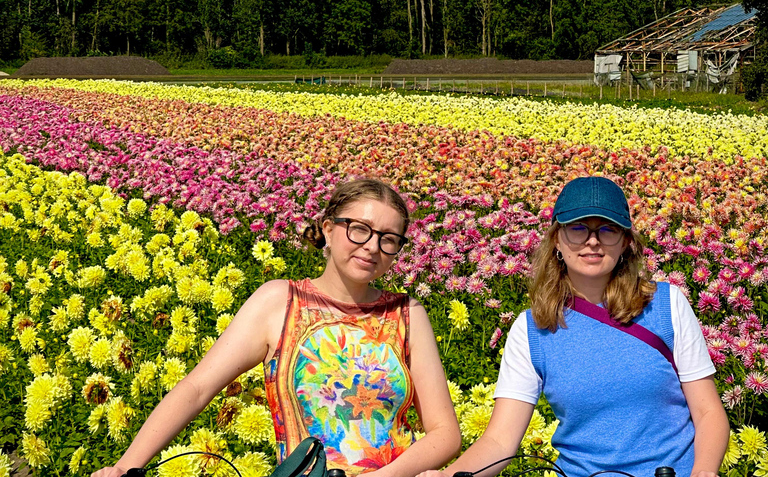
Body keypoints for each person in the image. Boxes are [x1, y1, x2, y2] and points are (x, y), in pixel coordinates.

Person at [93, 178, 461, 477]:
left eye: (388, 239)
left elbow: (445, 434)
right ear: (329, 230)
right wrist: (127, 465)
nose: (372, 247)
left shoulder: (408, 313)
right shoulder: (279, 301)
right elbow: (197, 387)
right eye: (360, 230)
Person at [417, 176, 729, 477]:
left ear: (625, 243)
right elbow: (499, 440)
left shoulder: (667, 306)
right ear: (557, 240)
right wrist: (450, 475)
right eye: (578, 228)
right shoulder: (532, 330)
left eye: (607, 230)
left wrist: (703, 470)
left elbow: (708, 413)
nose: (592, 241)